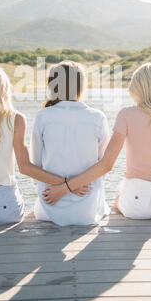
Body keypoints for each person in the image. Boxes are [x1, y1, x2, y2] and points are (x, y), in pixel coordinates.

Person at [43, 63, 151, 220]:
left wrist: (66, 187)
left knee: (119, 201)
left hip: (138, 201)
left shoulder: (127, 115)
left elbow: (106, 165)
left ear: (137, 87)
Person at [0, 65, 66, 225]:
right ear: (4, 88)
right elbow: (25, 167)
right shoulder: (15, 119)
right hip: (4, 206)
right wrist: (65, 183)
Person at [31, 60, 111, 226]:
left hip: (49, 205)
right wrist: (71, 186)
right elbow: (102, 168)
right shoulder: (97, 117)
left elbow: (35, 167)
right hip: (88, 209)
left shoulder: (43, 117)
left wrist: (63, 187)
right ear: (81, 86)